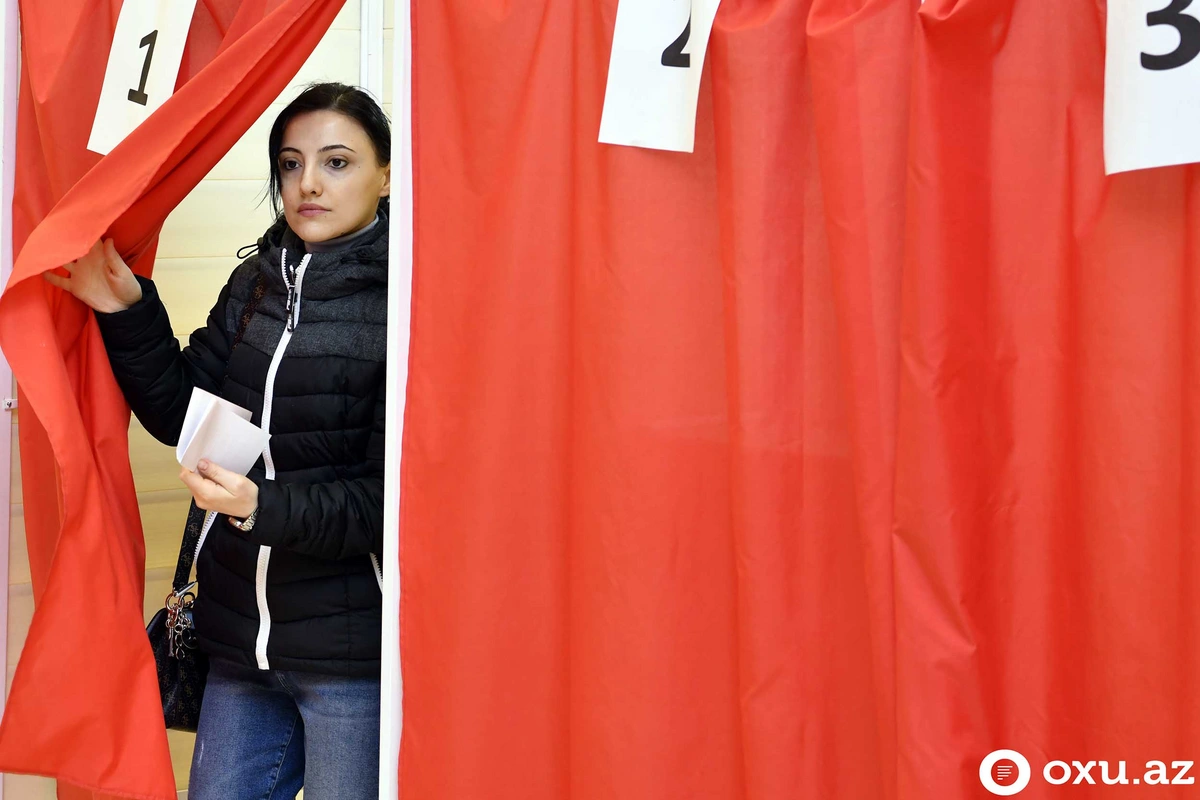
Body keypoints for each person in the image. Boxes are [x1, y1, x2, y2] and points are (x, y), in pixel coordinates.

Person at [44, 82, 391, 800]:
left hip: (352, 656)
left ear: (385, 175)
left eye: (337, 162)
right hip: (238, 640)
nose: (308, 185)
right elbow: (185, 417)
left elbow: (393, 500)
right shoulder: (256, 283)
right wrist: (125, 310)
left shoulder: (411, 300)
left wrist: (260, 505)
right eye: (291, 165)